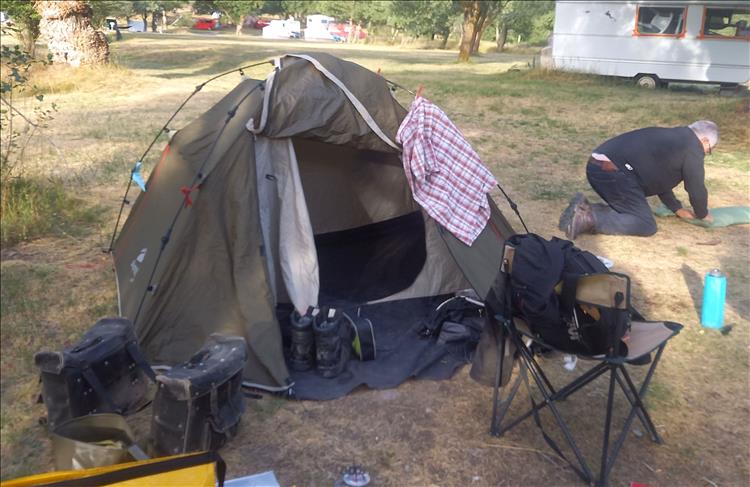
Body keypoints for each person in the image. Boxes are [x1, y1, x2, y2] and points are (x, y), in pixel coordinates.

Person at [559, 120, 718, 239]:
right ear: (704, 141)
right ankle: (586, 218)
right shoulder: (692, 147)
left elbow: (660, 179)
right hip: (613, 172)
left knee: (631, 210)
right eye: (709, 150)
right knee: (645, 224)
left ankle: (583, 208)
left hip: (597, 166)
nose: (705, 154)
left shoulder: (674, 138)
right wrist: (702, 214)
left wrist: (676, 208)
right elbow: (695, 186)